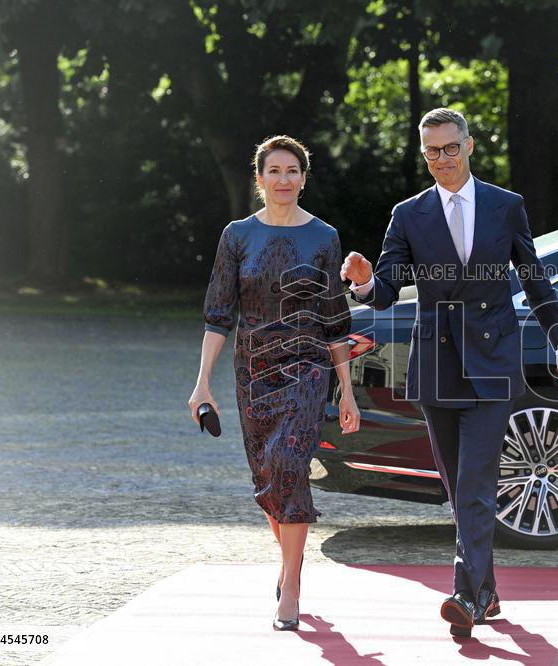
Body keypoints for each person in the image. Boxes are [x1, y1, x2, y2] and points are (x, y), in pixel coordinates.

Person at [340, 108, 558, 637]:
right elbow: (384, 290)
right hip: (437, 365)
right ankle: (487, 591)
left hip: (493, 363)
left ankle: (465, 597)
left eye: (450, 148)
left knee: (474, 485)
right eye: (431, 152)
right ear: (423, 154)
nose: (441, 160)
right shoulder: (408, 214)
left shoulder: (505, 206)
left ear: (469, 146)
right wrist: (360, 283)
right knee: (458, 488)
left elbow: (536, 283)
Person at [188, 135, 360, 631]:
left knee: (289, 462)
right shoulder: (237, 235)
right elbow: (218, 315)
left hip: (307, 367)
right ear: (259, 178)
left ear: (304, 178)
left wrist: (346, 390)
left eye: (293, 171)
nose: (284, 179)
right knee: (268, 477)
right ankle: (291, 566)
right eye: (275, 171)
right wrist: (202, 383)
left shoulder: (324, 237)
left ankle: (293, 585)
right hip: (253, 371)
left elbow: (335, 320)